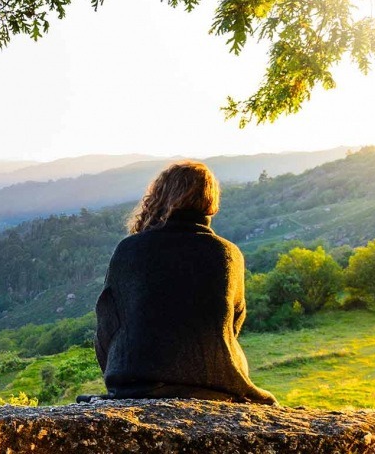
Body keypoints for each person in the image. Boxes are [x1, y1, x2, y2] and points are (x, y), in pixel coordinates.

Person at [91, 161, 277, 404]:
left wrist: (123, 372)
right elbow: (232, 325)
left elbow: (107, 324)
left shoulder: (129, 250)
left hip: (136, 383)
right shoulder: (229, 255)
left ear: (159, 196)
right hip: (217, 384)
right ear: (210, 202)